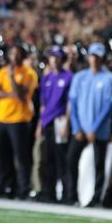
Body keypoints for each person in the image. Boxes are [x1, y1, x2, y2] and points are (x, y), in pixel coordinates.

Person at [66, 42, 112, 207]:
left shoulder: (110, 79)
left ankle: (96, 199)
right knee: (70, 160)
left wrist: (94, 128)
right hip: (81, 129)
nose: (94, 59)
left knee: (99, 164)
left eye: (97, 56)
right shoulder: (80, 77)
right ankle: (71, 195)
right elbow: (73, 103)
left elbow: (109, 107)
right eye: (92, 56)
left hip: (99, 131)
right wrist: (77, 127)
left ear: (103, 59)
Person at [0, 44, 38, 199]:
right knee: (0, 155)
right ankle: (2, 186)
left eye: (18, 54)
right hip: (1, 118)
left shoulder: (29, 73)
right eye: (12, 53)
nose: (14, 57)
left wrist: (11, 78)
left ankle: (23, 188)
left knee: (21, 156)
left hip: (19, 120)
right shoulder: (2, 71)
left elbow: (21, 95)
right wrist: (10, 93)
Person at [36, 46, 73, 203]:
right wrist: (39, 125)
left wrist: (67, 123)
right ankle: (48, 192)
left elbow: (70, 103)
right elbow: (43, 104)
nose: (54, 59)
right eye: (52, 57)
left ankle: (65, 193)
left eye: (57, 57)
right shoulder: (46, 78)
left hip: (60, 122)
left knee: (61, 160)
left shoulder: (69, 77)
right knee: (47, 159)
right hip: (47, 122)